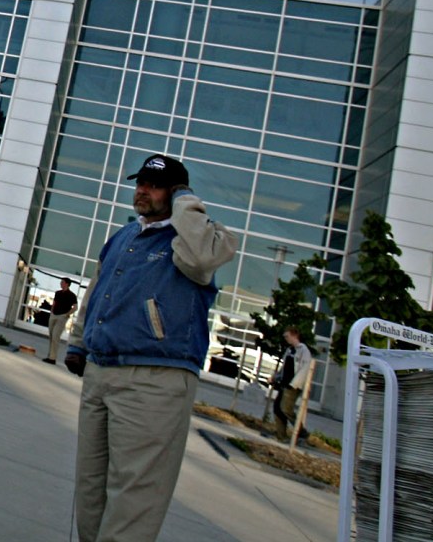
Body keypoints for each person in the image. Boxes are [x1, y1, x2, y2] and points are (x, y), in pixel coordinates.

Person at [64, 153, 237, 542]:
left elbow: (204, 258)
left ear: (176, 193)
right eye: (140, 182)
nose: (142, 190)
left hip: (155, 381)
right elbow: (96, 290)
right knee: (90, 489)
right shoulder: (124, 237)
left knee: (135, 498)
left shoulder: (194, 239)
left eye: (154, 185)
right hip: (101, 373)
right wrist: (78, 341)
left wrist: (185, 205)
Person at [271, 326, 313, 442]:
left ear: (294, 335)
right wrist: (276, 377)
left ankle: (301, 432)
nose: (286, 339)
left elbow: (304, 369)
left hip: (293, 386)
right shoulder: (290, 350)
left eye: (287, 336)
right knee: (277, 409)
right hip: (284, 383)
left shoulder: (303, 351)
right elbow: (285, 368)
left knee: (286, 408)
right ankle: (281, 435)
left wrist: (294, 384)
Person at [44, 277, 78, 364]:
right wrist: (52, 311)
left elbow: (75, 307)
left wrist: (67, 314)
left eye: (62, 282)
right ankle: (49, 355)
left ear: (67, 284)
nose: (60, 283)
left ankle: (52, 358)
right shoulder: (58, 293)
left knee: (56, 336)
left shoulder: (72, 295)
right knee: (51, 335)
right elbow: (54, 303)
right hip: (54, 315)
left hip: (62, 317)